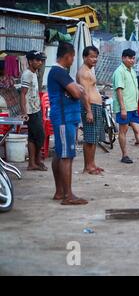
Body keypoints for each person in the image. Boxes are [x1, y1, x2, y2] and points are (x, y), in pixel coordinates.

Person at [47, 42, 88, 205]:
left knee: (59, 153)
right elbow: (77, 92)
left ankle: (59, 192)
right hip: (64, 118)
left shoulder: (57, 72)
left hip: (63, 118)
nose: (73, 61)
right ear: (68, 56)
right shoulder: (60, 72)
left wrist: (75, 90)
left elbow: (75, 91)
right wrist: (77, 90)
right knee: (66, 156)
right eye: (72, 57)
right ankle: (68, 195)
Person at [77, 46, 104, 175]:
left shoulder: (90, 70)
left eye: (96, 56)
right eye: (92, 56)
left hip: (95, 105)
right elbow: (84, 93)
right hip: (90, 106)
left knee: (94, 138)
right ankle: (87, 166)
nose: (95, 59)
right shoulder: (83, 72)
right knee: (89, 138)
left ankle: (92, 164)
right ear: (85, 57)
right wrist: (88, 110)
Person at [20, 50, 47, 172]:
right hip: (31, 111)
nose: (40, 62)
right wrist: (24, 112)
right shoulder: (27, 74)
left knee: (33, 137)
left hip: (36, 109)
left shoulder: (34, 73)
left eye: (41, 60)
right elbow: (23, 94)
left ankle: (34, 162)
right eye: (37, 60)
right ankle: (35, 161)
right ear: (30, 61)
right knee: (40, 136)